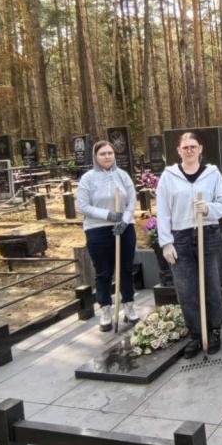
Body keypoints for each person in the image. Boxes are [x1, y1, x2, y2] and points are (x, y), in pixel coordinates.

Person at [155, 132, 222, 357]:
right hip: (181, 238)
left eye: (193, 146)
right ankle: (196, 334)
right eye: (185, 147)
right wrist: (166, 243)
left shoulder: (212, 174)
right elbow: (163, 211)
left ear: (200, 149)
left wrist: (207, 208)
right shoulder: (169, 176)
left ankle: (214, 331)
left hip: (208, 234)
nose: (189, 150)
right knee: (186, 290)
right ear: (178, 151)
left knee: (211, 286)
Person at [77, 139, 139, 331]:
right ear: (96, 156)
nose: (107, 157)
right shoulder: (88, 178)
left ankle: (129, 305)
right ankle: (105, 310)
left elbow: (132, 200)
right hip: (98, 229)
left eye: (110, 153)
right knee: (104, 271)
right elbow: (83, 206)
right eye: (102, 154)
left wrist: (125, 220)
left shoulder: (122, 175)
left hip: (124, 227)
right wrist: (108, 215)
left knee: (125, 269)